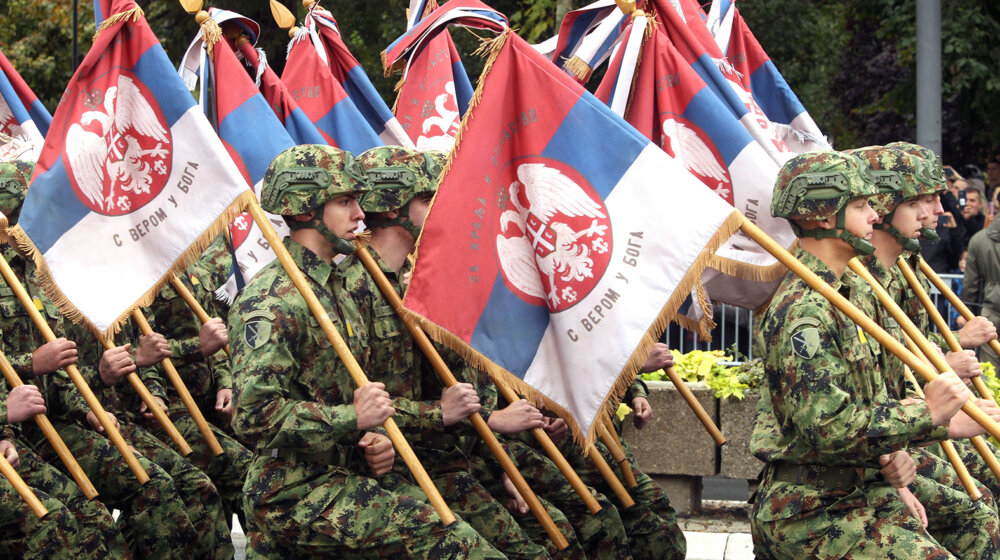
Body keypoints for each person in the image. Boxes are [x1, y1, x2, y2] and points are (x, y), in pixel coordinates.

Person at [228, 144, 501, 557]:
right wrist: (352, 418)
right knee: (459, 547)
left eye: (357, 200)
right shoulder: (273, 300)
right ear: (305, 210)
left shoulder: (338, 287)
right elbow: (253, 417)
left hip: (352, 470)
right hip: (296, 491)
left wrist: (371, 434)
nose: (360, 213)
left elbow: (361, 395)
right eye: (345, 201)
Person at [750, 150, 996, 559]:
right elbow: (827, 428)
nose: (874, 215)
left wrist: (902, 458)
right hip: (810, 507)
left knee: (978, 517)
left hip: (860, 482)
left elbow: (873, 399)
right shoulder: (805, 311)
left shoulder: (844, 296)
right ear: (824, 218)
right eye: (862, 205)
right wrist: (931, 415)